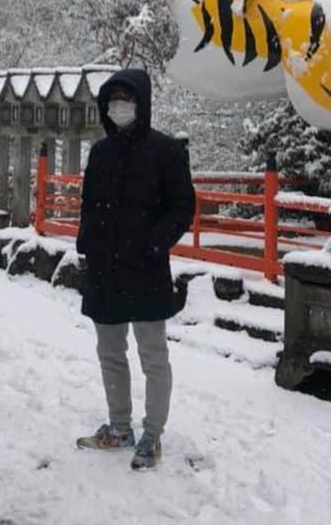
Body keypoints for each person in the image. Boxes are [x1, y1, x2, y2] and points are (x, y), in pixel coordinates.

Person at [75, 68, 196, 470]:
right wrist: (86, 243)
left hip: (145, 266)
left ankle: (153, 434)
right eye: (112, 101)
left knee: (153, 355)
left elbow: (183, 206)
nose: (118, 107)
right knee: (110, 351)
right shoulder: (101, 152)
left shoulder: (166, 151)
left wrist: (154, 241)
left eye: (125, 99)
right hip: (105, 267)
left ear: (141, 104)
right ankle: (120, 426)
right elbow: (89, 205)